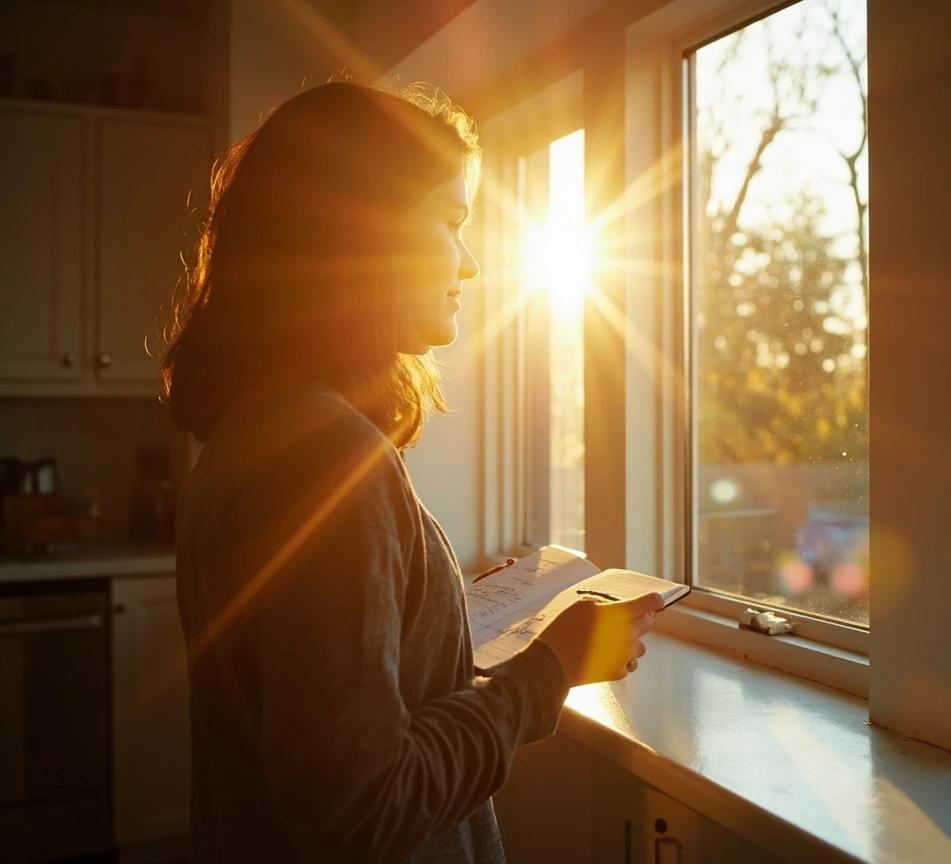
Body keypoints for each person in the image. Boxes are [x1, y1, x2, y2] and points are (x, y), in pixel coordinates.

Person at [162, 81, 662, 863]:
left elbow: (324, 678)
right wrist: (550, 671)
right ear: (359, 231)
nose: (469, 264)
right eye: (453, 220)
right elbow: (362, 811)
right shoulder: (322, 458)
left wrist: (444, 608)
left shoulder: (258, 431)